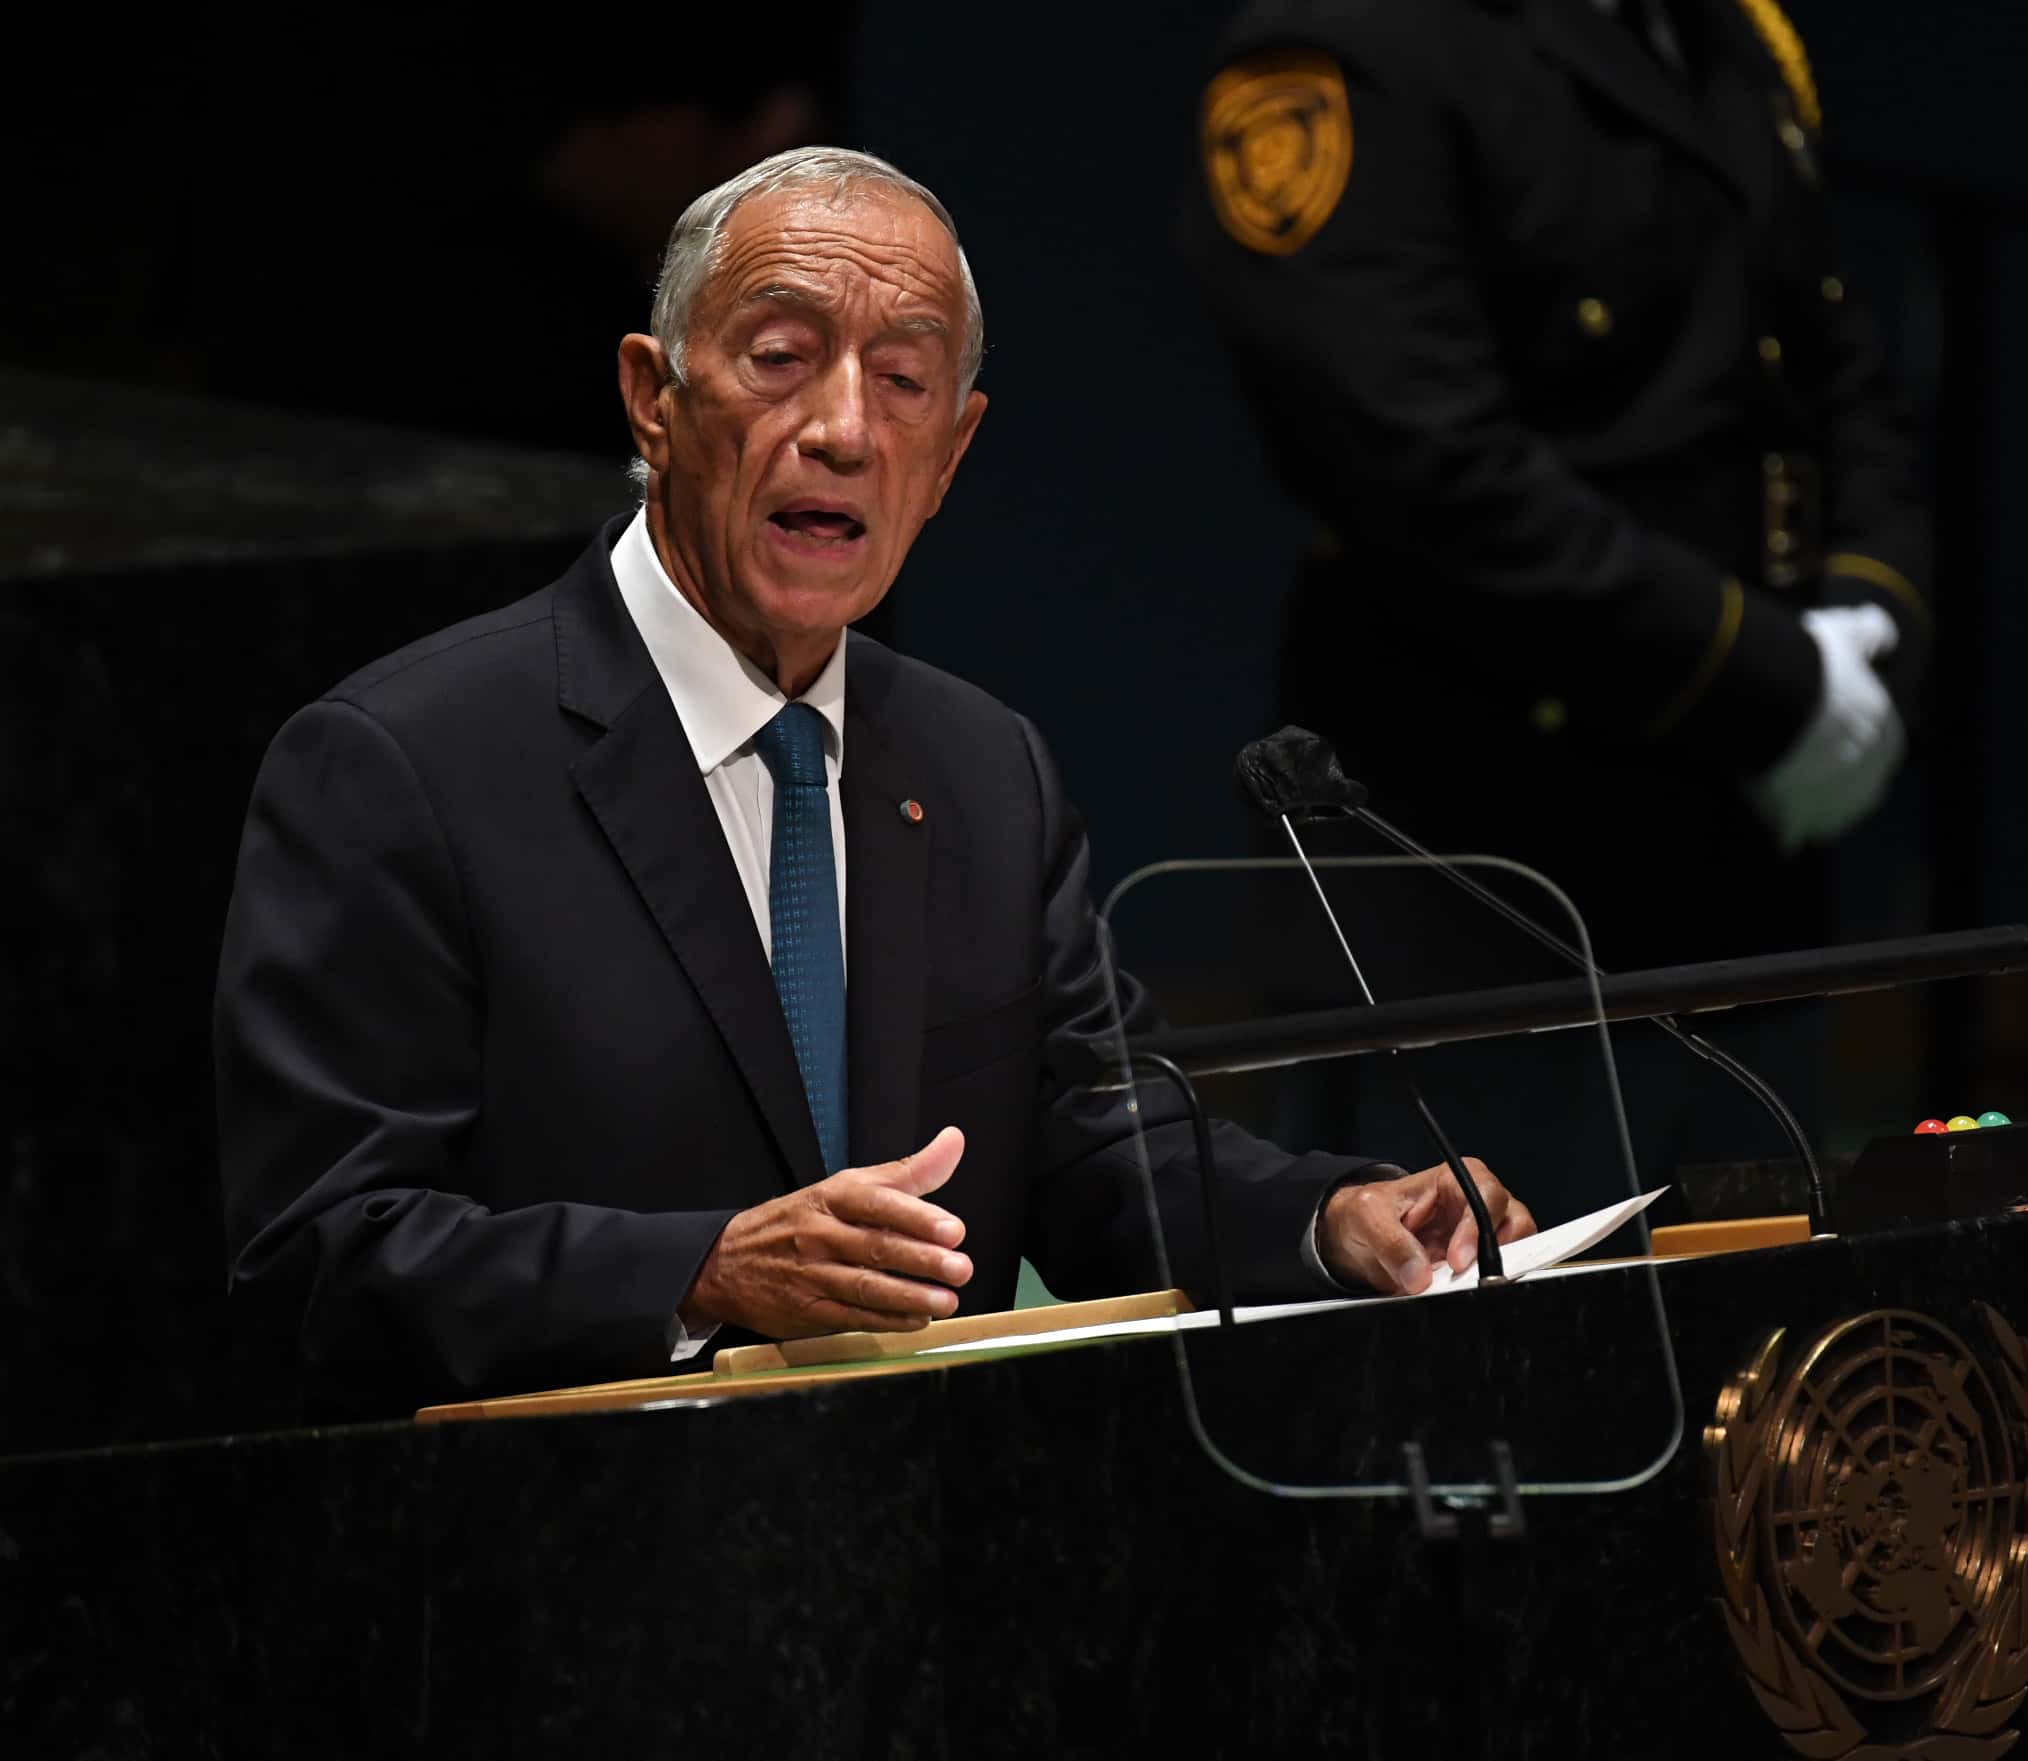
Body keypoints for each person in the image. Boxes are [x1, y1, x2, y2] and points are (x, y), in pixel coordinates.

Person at [215, 147, 1535, 1414]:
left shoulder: (981, 767)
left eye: (902, 382)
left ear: (951, 457)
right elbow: (322, 1255)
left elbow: (1090, 1149)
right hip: (555, 1569)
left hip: (930, 1560)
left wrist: (1326, 1217)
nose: (842, 428)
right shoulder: (404, 763)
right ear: (652, 394)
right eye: (780, 359)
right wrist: (701, 1272)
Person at [1178, 0, 1932, 976]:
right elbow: (1418, 467)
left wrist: (1866, 627)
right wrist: (1778, 685)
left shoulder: (1730, 37)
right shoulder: (1356, 40)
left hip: (1741, 839)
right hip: (1476, 864)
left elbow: (1837, 378)